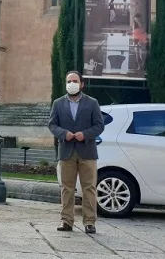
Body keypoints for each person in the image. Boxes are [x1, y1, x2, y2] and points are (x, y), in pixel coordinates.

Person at [48, 71, 104, 234]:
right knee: (67, 188)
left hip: (87, 151)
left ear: (81, 84)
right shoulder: (58, 103)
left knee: (89, 188)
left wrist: (85, 134)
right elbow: (52, 125)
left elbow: (99, 125)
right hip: (66, 151)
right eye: (69, 81)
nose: (71, 84)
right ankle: (66, 220)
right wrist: (63, 133)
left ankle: (89, 222)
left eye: (75, 81)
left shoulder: (92, 103)